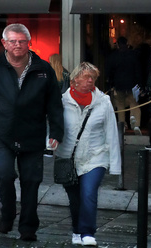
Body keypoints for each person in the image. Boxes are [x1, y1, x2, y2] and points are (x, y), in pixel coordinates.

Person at [0, 22, 64, 241]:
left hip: (32, 132)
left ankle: (28, 226)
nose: (17, 45)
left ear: (28, 43)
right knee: (4, 175)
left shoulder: (43, 69)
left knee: (31, 180)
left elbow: (54, 103)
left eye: (22, 41)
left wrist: (57, 131)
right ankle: (7, 214)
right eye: (12, 41)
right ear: (4, 43)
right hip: (1, 132)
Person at [54, 62, 121, 247]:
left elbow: (112, 133)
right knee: (75, 198)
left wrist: (115, 165)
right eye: (86, 77)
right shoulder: (62, 101)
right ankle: (77, 229)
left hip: (96, 156)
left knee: (89, 193)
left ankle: (87, 232)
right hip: (68, 158)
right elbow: (53, 125)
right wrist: (50, 141)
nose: (90, 80)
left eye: (93, 77)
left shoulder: (104, 102)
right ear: (74, 80)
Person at [105, 36, 141, 133]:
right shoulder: (133, 55)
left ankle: (122, 125)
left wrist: (110, 83)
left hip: (118, 84)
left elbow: (109, 71)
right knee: (134, 103)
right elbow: (138, 70)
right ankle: (136, 124)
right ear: (127, 43)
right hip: (132, 84)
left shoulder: (113, 56)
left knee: (120, 105)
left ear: (118, 44)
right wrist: (139, 83)